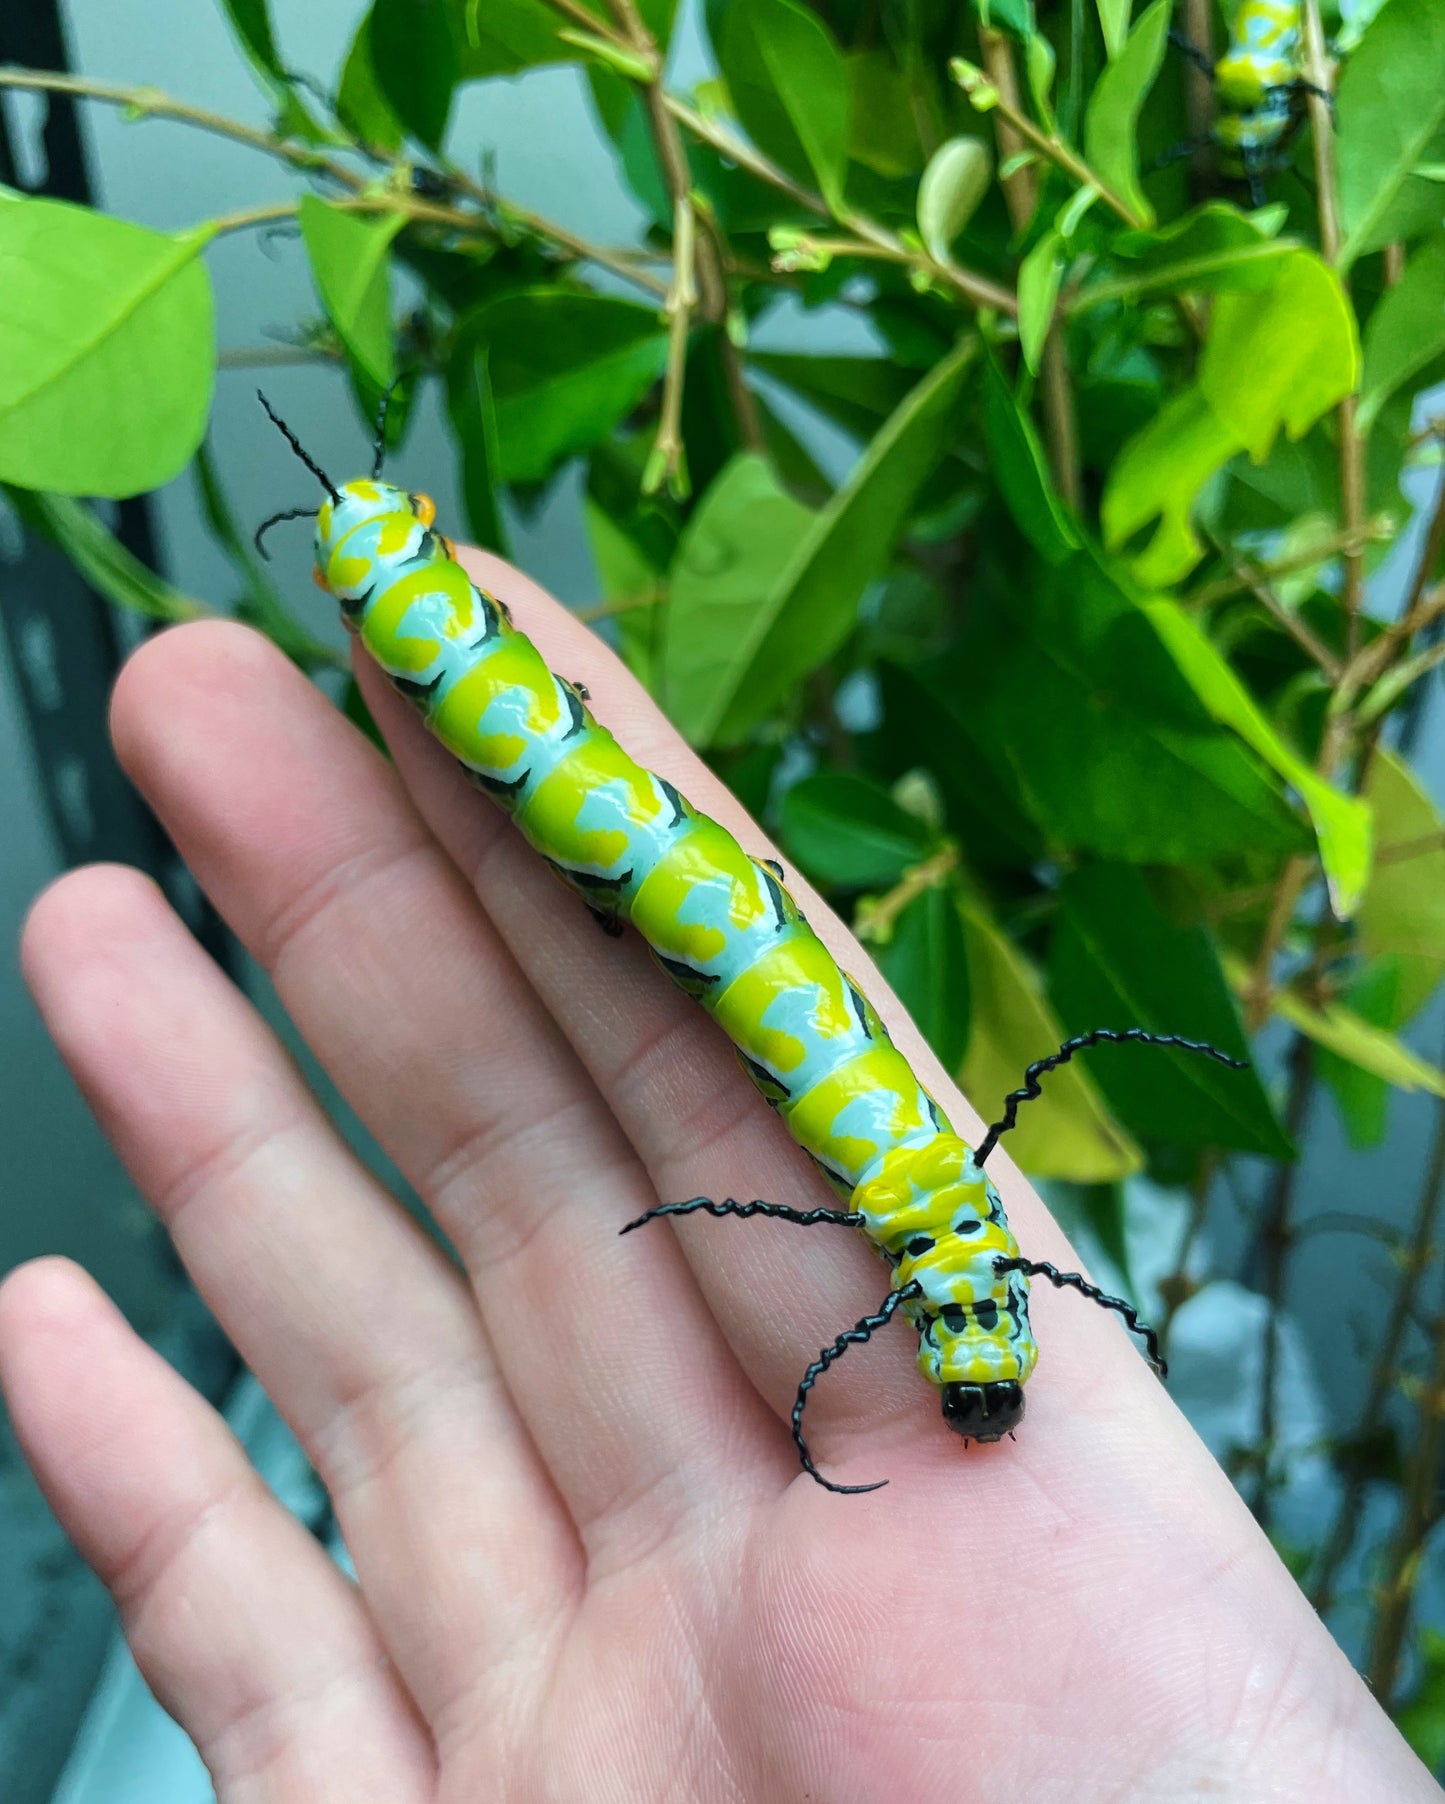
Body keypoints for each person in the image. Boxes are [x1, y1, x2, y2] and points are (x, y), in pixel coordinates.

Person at [0, 548, 1434, 1801]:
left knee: (641, 867)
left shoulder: (947, 1243)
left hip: (752, 989)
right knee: (617, 861)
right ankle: (405, 598)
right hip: (757, 1011)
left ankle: (404, 592)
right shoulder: (938, 1246)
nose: (977, 1359)